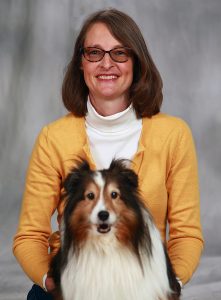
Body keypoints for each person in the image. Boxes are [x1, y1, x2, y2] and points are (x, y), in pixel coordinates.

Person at [13, 8, 204, 299]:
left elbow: (186, 233)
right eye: (94, 53)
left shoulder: (173, 134)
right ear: (81, 63)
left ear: (136, 62)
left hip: (142, 282)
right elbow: (30, 234)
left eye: (119, 53)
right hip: (71, 281)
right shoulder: (53, 138)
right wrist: (55, 284)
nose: (106, 63)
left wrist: (164, 282)